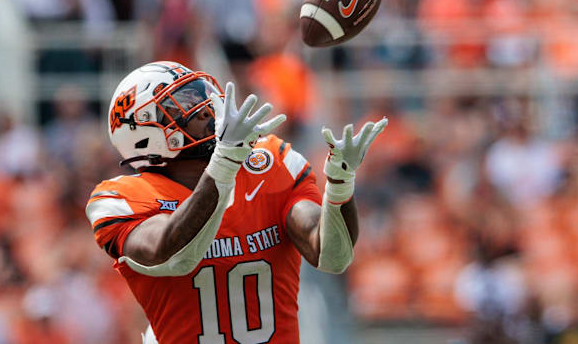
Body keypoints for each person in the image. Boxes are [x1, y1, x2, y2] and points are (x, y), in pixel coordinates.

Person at [85, 61, 387, 343]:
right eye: (182, 105)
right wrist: (226, 161)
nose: (204, 110)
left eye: (199, 97)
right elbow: (174, 257)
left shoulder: (269, 163)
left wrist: (340, 185)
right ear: (142, 133)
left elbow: (332, 256)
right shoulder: (119, 198)